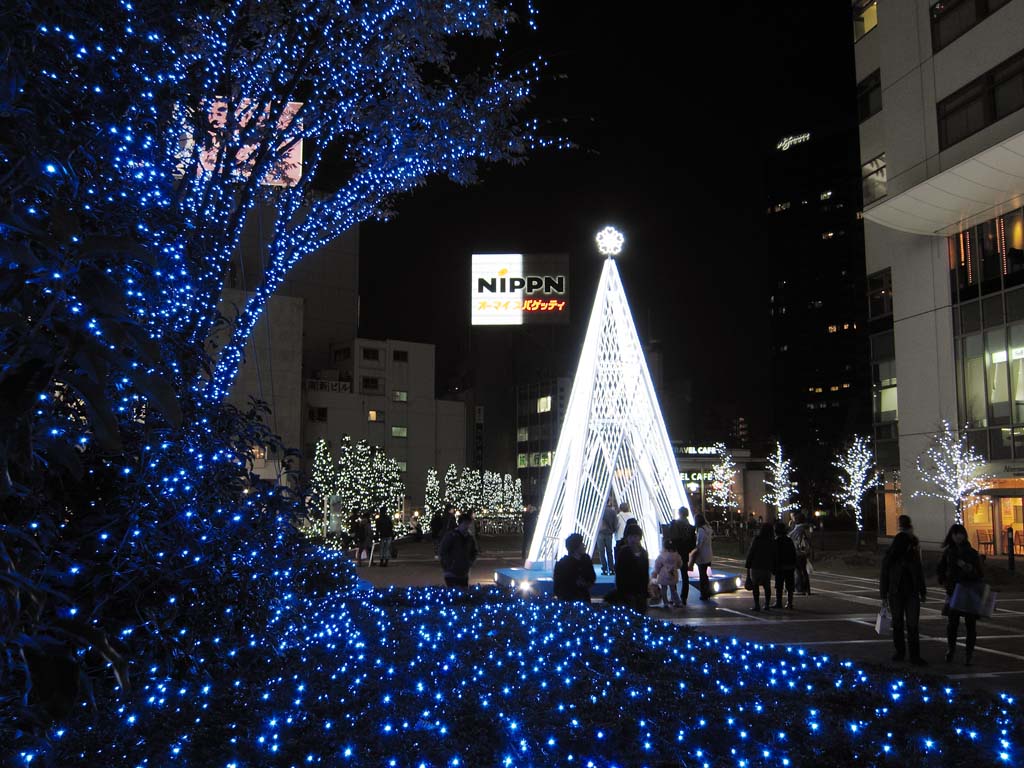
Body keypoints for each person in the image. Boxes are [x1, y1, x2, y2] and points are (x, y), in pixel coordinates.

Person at [880, 514, 928, 665]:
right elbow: (885, 574)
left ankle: (911, 654)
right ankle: (902, 652)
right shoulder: (893, 558)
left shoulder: (912, 556)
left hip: (908, 592)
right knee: (900, 623)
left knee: (910, 624)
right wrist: (884, 594)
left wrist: (922, 590)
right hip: (898, 592)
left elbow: (919, 573)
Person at [937, 523, 984, 665]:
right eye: (955, 533)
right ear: (951, 536)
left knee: (970, 625)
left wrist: (967, 568)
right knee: (952, 624)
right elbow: (940, 569)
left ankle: (968, 654)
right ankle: (951, 649)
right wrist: (945, 581)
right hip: (953, 591)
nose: (958, 536)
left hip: (969, 590)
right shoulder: (948, 552)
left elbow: (979, 573)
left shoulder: (971, 552)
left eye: (961, 533)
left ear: (964, 535)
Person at [615, 521, 650, 614]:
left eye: (635, 536)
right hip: (627, 591)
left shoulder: (643, 553)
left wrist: (645, 591)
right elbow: (619, 573)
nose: (632, 539)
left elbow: (645, 574)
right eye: (630, 537)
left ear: (639, 538)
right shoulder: (623, 552)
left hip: (640, 591)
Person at [553, 533, 597, 602]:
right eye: (581, 544)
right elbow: (558, 587)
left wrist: (586, 583)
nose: (584, 546)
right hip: (568, 600)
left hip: (584, 598)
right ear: (576, 547)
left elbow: (592, 577)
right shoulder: (562, 564)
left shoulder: (586, 560)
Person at [665, 506, 696, 606]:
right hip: (684, 553)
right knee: (684, 575)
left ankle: (674, 597)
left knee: (672, 575)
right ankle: (684, 597)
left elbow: (671, 538)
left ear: (679, 513)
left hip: (675, 552)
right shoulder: (691, 528)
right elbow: (693, 543)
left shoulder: (675, 524)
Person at [439, 512, 478, 588]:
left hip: (464, 572)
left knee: (463, 594)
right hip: (451, 573)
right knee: (454, 593)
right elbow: (442, 551)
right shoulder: (451, 535)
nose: (467, 526)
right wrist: (448, 565)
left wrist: (470, 562)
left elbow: (474, 551)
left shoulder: (469, 538)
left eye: (468, 524)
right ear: (460, 524)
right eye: (465, 524)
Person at [745, 522, 777, 611]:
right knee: (767, 585)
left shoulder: (757, 539)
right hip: (767, 566)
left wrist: (748, 564)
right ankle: (766, 604)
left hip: (756, 565)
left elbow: (751, 552)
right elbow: (774, 555)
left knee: (755, 585)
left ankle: (757, 605)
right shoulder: (772, 541)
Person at [688, 514, 714, 600]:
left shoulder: (700, 530)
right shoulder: (708, 528)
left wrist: (694, 551)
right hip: (708, 554)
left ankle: (704, 593)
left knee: (702, 574)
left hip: (702, 555)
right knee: (704, 574)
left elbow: (699, 544)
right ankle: (707, 591)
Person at [650, 540, 683, 608]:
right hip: (673, 574)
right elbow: (680, 564)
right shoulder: (677, 555)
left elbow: (657, 564)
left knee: (664, 589)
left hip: (663, 574)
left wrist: (657, 571)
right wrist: (676, 567)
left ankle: (665, 603)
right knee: (673, 589)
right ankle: (677, 602)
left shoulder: (662, 555)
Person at [772, 520, 797, 609]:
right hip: (790, 565)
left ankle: (778, 602)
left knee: (779, 585)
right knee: (789, 585)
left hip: (780, 566)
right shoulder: (789, 540)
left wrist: (774, 566)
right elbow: (794, 553)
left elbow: (775, 555)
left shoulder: (777, 541)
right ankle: (789, 603)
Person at [789, 512, 813, 595]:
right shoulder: (806, 528)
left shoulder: (798, 529)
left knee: (798, 570)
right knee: (803, 570)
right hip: (804, 552)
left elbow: (791, 537)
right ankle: (807, 589)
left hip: (797, 552)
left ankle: (800, 588)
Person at [596, 499, 618, 576]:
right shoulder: (612, 512)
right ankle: (611, 569)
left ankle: (604, 569)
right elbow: (616, 522)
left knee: (601, 552)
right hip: (609, 533)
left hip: (600, 533)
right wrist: (613, 530)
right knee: (609, 552)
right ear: (609, 502)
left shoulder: (599, 511)